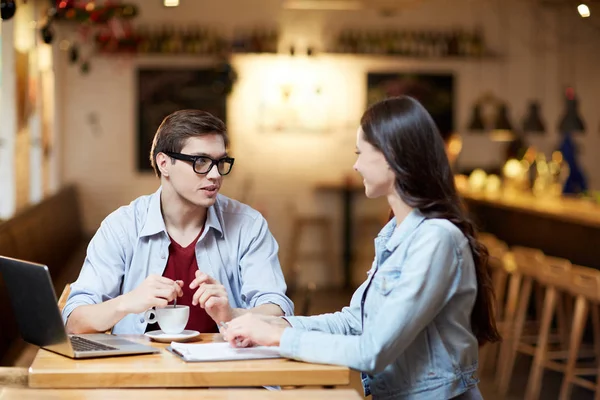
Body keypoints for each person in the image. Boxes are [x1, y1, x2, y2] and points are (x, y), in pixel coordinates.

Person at [222, 96, 500, 399]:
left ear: (391, 155)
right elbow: (355, 321)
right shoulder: (397, 233)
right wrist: (260, 321)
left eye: (360, 153)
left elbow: (373, 351)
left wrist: (278, 336)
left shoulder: (436, 240)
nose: (355, 165)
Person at [63, 110, 293, 335]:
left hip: (224, 367)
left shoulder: (248, 225)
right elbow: (74, 321)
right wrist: (126, 302)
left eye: (220, 162)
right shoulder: (121, 227)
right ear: (164, 163)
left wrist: (231, 314)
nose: (215, 175)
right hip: (138, 369)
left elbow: (277, 309)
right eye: (201, 161)